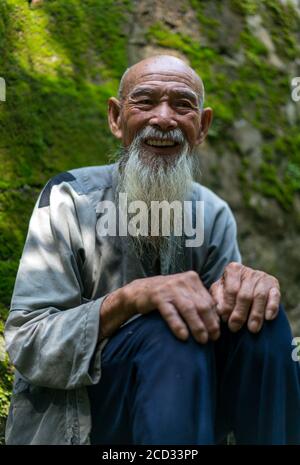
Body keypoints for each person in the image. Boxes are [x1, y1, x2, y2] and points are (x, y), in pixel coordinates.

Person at [4, 55, 300, 445]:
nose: (164, 119)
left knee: (262, 324)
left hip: (188, 409)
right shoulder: (69, 199)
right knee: (167, 329)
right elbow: (27, 342)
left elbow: (228, 332)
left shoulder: (211, 213)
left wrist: (251, 291)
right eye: (145, 102)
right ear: (116, 118)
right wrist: (130, 300)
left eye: (182, 105)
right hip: (90, 418)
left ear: (203, 126)